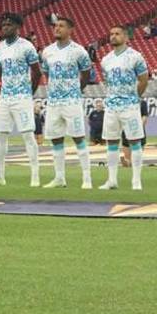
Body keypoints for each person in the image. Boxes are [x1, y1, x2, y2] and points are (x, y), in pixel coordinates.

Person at [0, 13, 42, 188]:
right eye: (3, 25)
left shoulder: (27, 46)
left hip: (22, 98)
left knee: (27, 135)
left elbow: (37, 72)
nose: (5, 27)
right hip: (5, 98)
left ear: (18, 27)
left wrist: (28, 92)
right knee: (0, 135)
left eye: (9, 24)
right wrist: (5, 87)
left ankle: (35, 176)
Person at [40, 17, 94, 188]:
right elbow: (46, 73)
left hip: (72, 101)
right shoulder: (47, 51)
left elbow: (86, 73)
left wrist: (76, 89)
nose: (57, 28)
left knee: (78, 137)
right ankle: (59, 177)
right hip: (54, 102)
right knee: (56, 139)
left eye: (61, 26)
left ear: (71, 30)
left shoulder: (79, 51)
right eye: (55, 26)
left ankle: (87, 178)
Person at [99, 25, 149, 191]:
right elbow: (107, 81)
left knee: (135, 141)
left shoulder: (135, 56)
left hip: (130, 106)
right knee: (111, 142)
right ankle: (112, 180)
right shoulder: (106, 59)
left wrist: (135, 98)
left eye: (117, 34)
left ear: (126, 37)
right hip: (112, 106)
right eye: (111, 33)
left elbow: (143, 79)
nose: (113, 36)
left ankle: (136, 180)